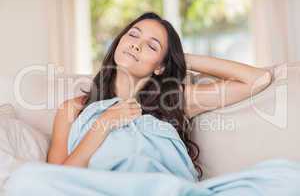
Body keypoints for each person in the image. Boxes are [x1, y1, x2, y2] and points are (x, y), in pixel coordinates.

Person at [46, 12, 272, 180]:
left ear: (160, 66)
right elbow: (53, 183)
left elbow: (257, 80)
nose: (136, 45)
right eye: (133, 35)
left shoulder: (175, 100)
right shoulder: (73, 109)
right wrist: (104, 124)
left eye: (152, 47)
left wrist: (181, 60)